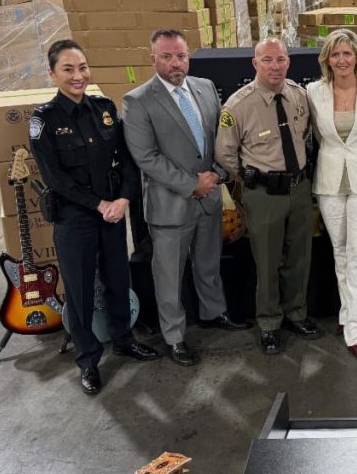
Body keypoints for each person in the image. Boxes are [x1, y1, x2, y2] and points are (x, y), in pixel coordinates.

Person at [29, 40, 160, 396]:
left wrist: (123, 199)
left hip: (113, 214)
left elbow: (129, 161)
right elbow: (54, 178)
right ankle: (88, 357)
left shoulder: (103, 108)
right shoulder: (44, 120)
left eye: (83, 67)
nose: (78, 76)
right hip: (75, 220)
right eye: (68, 69)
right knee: (81, 290)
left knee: (119, 279)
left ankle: (123, 339)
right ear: (52, 73)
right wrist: (99, 203)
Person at [122, 29, 251, 368]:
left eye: (180, 55)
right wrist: (191, 184)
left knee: (208, 264)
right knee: (169, 276)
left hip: (209, 198)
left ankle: (213, 312)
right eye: (166, 56)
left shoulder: (205, 88)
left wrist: (219, 176)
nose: (175, 63)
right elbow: (146, 157)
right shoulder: (138, 101)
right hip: (170, 205)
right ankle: (175, 337)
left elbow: (222, 138)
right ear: (153, 59)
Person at [215, 37, 322, 355]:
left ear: (288, 62)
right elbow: (225, 154)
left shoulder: (299, 95)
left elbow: (306, 139)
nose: (275, 66)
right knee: (267, 262)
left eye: (281, 59)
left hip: (299, 189)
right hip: (263, 195)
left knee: (299, 258)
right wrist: (254, 180)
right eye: (267, 60)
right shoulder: (237, 105)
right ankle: (270, 324)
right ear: (255, 63)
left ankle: (296, 314)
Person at [306, 29, 357, 358]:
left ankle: (355, 329)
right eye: (335, 54)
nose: (341, 60)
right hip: (329, 181)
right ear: (327, 59)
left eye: (347, 54)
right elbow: (314, 138)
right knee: (339, 250)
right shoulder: (313, 92)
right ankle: (346, 312)